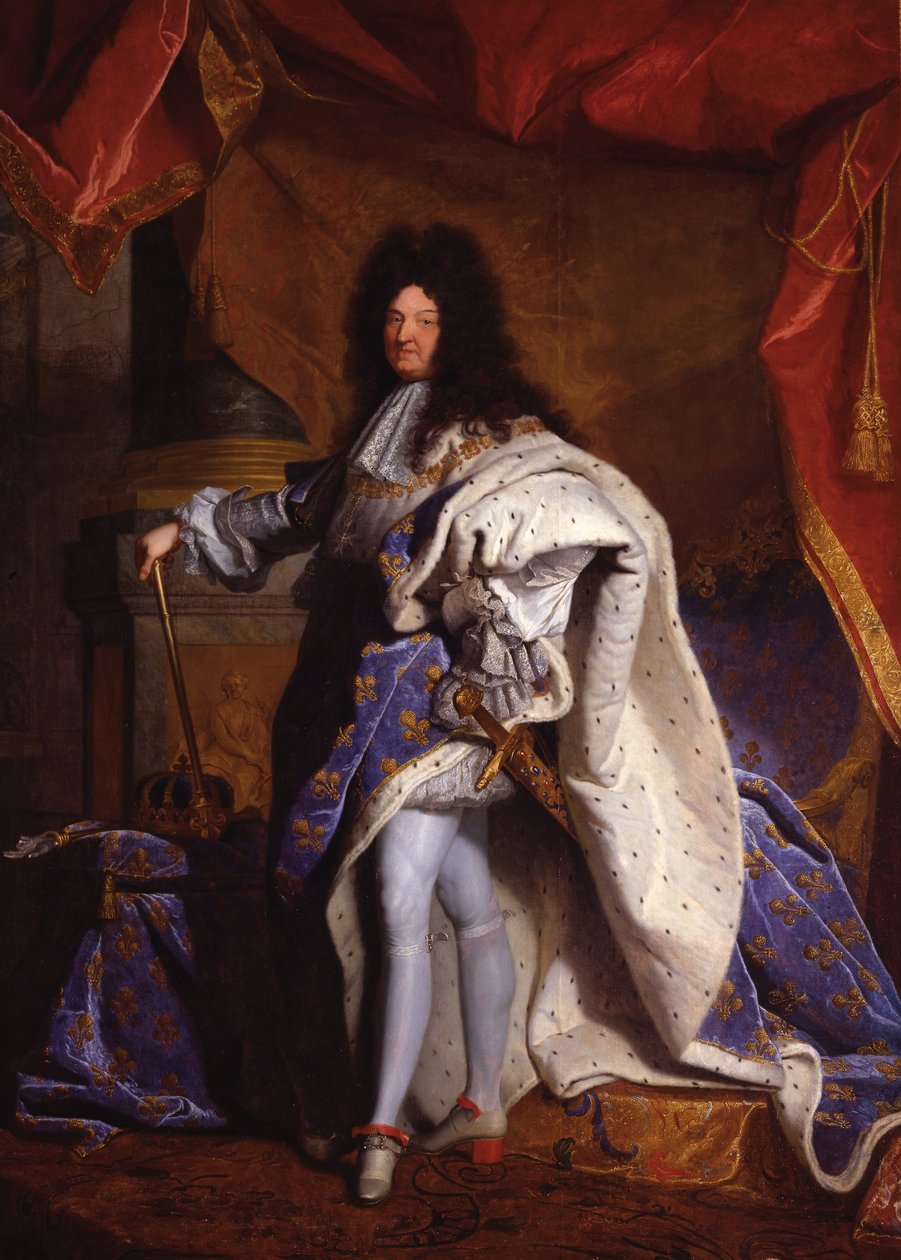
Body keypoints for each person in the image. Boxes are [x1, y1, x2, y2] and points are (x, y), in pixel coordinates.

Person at [135, 223, 901, 1206]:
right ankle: (441, 1105)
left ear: (460, 329)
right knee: (431, 896)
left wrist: (493, 637)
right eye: (393, 317)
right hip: (335, 697)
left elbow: (568, 534)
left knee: (393, 899)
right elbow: (297, 511)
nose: (405, 333)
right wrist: (184, 524)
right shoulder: (378, 429)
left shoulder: (499, 439)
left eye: (425, 318)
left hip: (431, 704)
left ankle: (380, 1125)